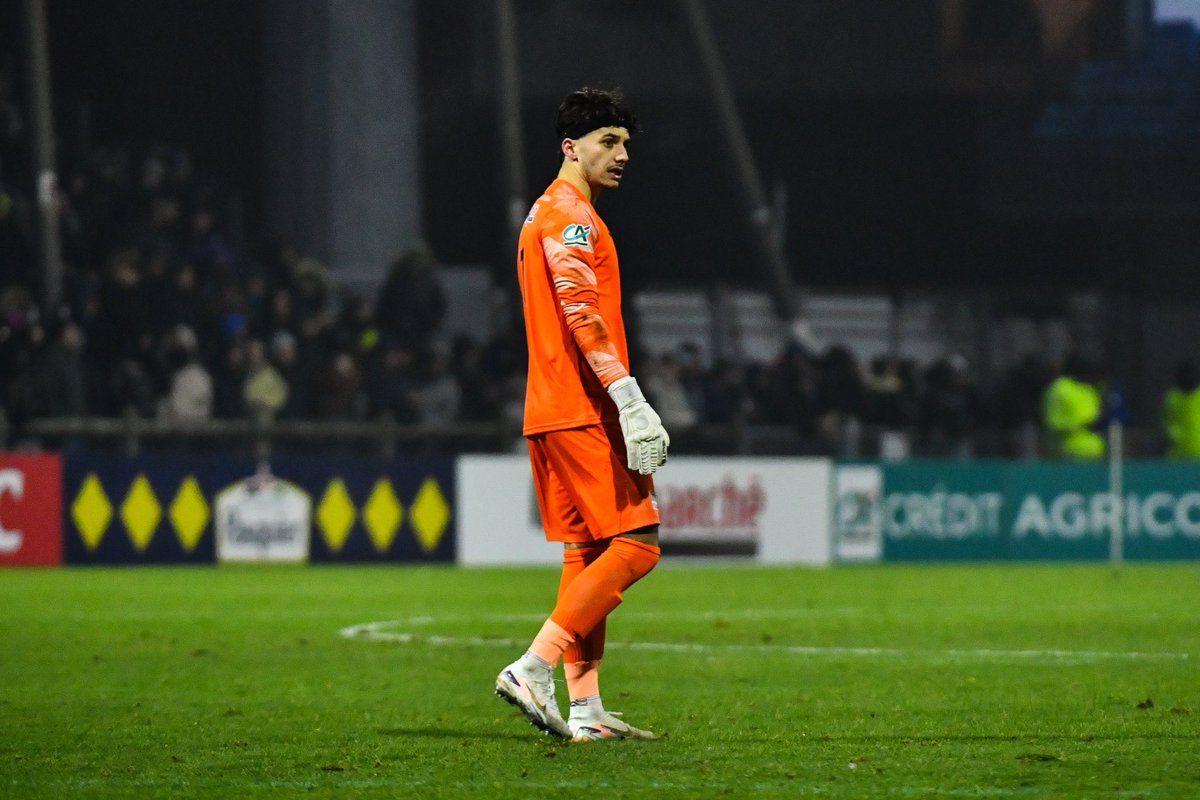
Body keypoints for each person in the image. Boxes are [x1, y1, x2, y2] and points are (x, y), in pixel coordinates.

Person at [494, 87, 669, 743]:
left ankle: (585, 711)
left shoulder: (544, 212)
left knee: (587, 552)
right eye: (608, 142)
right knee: (639, 542)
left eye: (626, 143)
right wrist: (628, 398)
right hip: (583, 407)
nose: (622, 154)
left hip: (550, 406)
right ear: (571, 147)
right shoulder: (571, 217)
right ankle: (533, 666)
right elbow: (580, 310)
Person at [1163, 359, 1200, 459]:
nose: (1189, 378)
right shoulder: (1172, 398)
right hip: (1178, 456)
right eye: (1185, 375)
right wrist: (1172, 433)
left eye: (1191, 375)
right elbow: (1165, 421)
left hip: (1197, 454)